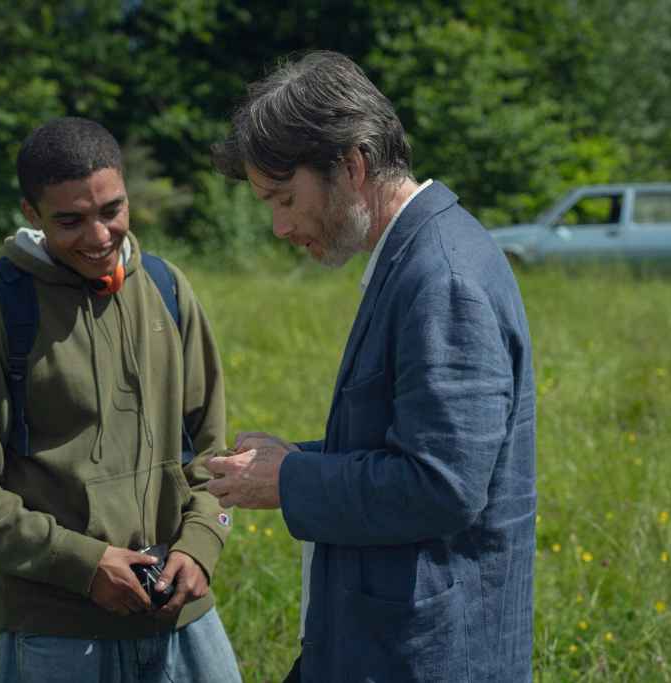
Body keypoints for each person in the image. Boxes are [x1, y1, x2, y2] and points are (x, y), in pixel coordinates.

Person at [206, 51, 536, 683]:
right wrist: (292, 459)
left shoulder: (444, 276)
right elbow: (407, 445)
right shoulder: (413, 254)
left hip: (424, 654)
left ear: (352, 165)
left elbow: (443, 486)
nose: (278, 226)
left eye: (283, 198)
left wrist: (291, 481)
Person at [0, 116, 242, 682]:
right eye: (69, 220)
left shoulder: (168, 291)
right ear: (31, 214)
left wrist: (200, 545)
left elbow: (211, 446)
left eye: (111, 211)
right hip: (56, 629)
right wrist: (83, 565)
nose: (97, 237)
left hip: (183, 619)